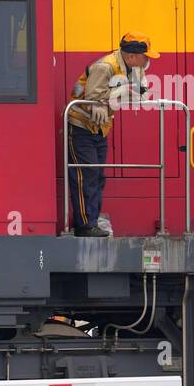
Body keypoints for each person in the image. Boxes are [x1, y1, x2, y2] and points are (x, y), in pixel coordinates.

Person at [66, 31, 158, 237]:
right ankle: (85, 226)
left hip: (100, 128)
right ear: (132, 56)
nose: (147, 61)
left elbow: (138, 92)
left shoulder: (128, 68)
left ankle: (93, 219)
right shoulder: (105, 67)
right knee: (85, 176)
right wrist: (117, 94)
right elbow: (93, 97)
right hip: (81, 128)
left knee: (98, 177)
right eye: (146, 57)